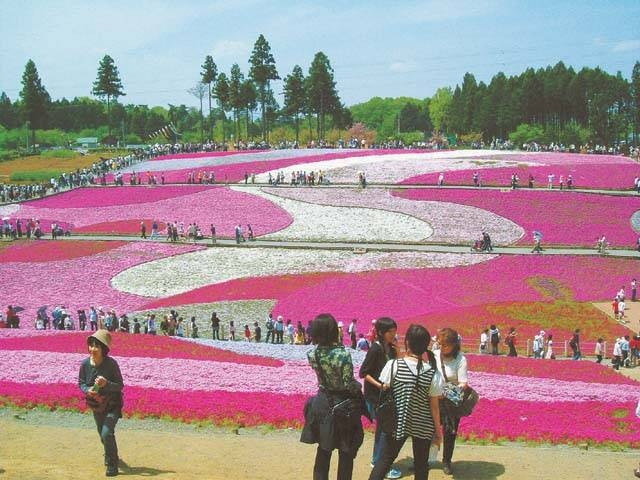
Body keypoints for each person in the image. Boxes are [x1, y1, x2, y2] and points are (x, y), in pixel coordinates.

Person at [370, 324, 443, 480]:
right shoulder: (432, 373)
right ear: (426, 346)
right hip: (423, 423)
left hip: (397, 420)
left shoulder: (393, 365)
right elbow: (434, 407)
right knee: (421, 465)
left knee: (384, 460)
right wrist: (438, 431)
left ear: (407, 342)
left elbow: (385, 387)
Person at [301, 313, 366, 480]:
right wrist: (359, 386)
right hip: (343, 405)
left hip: (322, 402)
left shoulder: (312, 354)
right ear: (332, 331)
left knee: (324, 449)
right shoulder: (342, 354)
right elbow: (348, 384)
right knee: (346, 450)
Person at [359, 317, 401, 479]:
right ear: (382, 332)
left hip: (385, 395)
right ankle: (379, 463)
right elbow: (364, 373)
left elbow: (397, 366)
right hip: (375, 395)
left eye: (395, 331)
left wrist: (397, 351)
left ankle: (377, 461)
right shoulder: (375, 349)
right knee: (385, 430)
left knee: (383, 429)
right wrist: (379, 385)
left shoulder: (389, 348)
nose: (394, 334)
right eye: (391, 332)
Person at [78, 330, 124, 477]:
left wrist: (106, 383)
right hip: (96, 404)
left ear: (104, 348)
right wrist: (87, 390)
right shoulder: (85, 364)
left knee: (106, 432)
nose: (92, 349)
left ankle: (112, 464)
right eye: (91, 345)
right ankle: (110, 453)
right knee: (102, 434)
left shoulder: (111, 364)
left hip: (112, 404)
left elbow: (119, 385)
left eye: (96, 346)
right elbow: (81, 383)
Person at [433, 328, 467, 476]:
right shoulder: (434, 355)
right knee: (427, 430)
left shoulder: (460, 359)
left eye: (446, 345)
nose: (442, 348)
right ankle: (422, 460)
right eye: (441, 344)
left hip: (450, 403)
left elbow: (463, 383)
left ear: (454, 345)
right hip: (434, 400)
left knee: (449, 432)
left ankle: (446, 461)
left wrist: (445, 392)